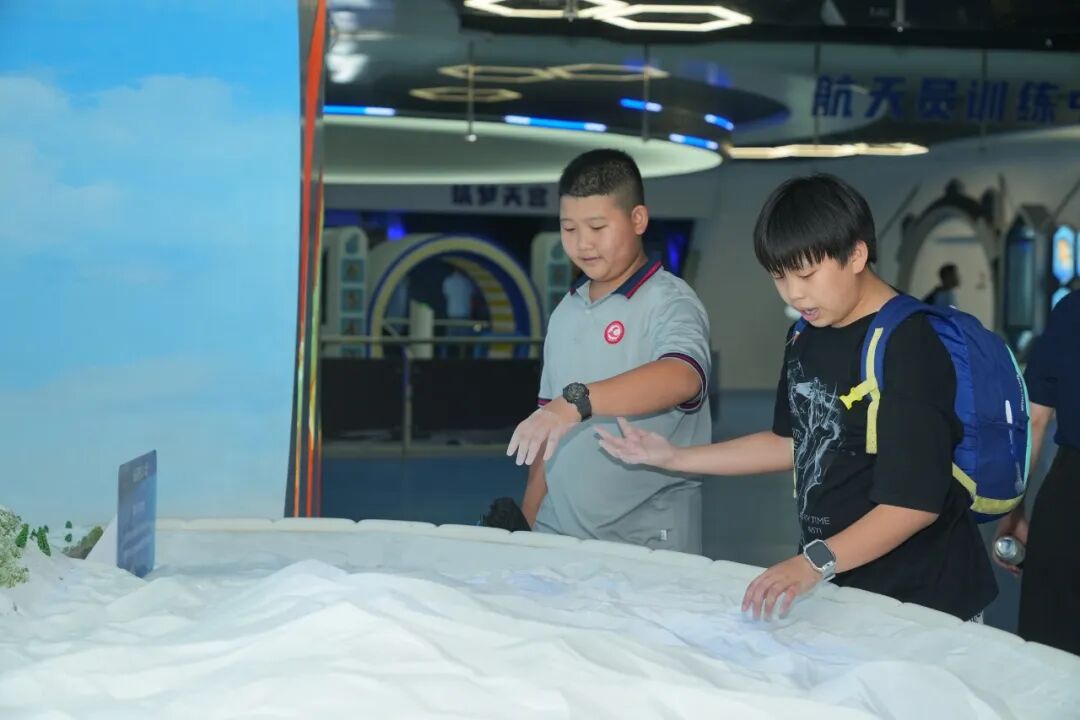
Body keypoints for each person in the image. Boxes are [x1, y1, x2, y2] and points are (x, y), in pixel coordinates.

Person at [597, 174, 996, 621]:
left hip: (927, 600)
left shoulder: (910, 345)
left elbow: (914, 505)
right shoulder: (804, 335)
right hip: (843, 582)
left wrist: (812, 563)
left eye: (806, 274)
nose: (794, 293)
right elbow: (791, 441)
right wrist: (674, 457)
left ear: (856, 254)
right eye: (779, 276)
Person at [505, 149, 712, 554]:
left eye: (598, 227)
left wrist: (576, 402)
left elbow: (682, 376)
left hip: (644, 544)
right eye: (569, 228)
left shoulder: (670, 302)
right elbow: (547, 435)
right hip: (557, 537)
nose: (583, 243)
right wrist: (525, 529)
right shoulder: (566, 310)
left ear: (637, 220)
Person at [995, 290, 1080, 655]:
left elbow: (1035, 420)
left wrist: (1013, 510)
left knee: (1051, 651)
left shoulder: (1072, 310)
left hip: (1070, 499)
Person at [441, 268, 475, 358]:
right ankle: (462, 358)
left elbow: (446, 296)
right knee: (464, 341)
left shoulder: (448, 281)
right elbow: (471, 298)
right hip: (464, 314)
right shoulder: (467, 282)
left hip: (452, 314)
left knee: (449, 340)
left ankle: (445, 359)